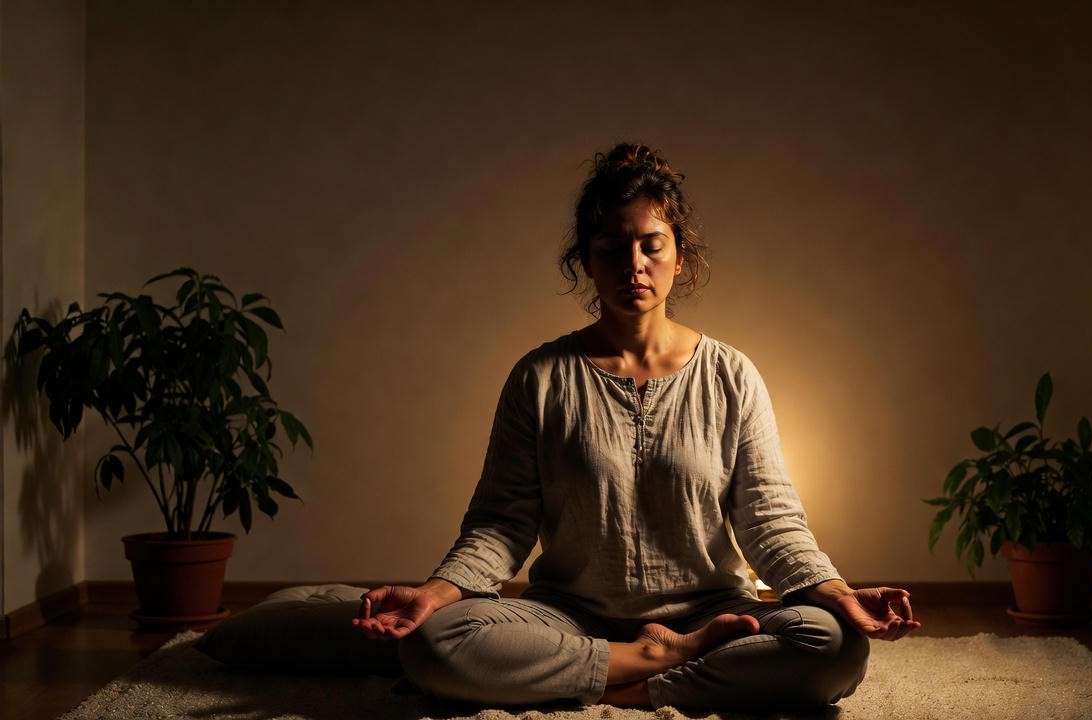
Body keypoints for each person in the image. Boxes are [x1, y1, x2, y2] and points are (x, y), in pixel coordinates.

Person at [352, 142, 921, 711]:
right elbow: (502, 523)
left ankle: (630, 684)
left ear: (680, 255)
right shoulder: (540, 377)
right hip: (569, 616)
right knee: (436, 642)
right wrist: (435, 592)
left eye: (652, 246)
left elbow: (769, 519)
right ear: (587, 260)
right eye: (611, 248)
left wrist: (839, 593)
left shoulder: (730, 375)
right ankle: (653, 662)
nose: (633, 266)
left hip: (712, 613)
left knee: (833, 644)